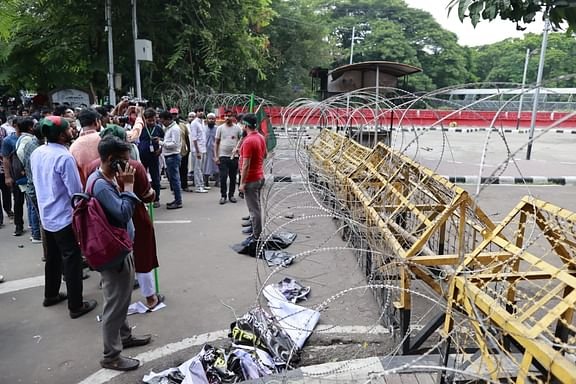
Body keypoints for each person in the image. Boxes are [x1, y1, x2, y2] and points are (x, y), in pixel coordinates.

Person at [87, 135, 151, 371]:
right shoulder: (102, 185)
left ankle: (124, 337)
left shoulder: (103, 176)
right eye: (124, 161)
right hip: (114, 254)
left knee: (120, 299)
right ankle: (111, 355)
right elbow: (123, 213)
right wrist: (129, 186)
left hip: (120, 248)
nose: (127, 165)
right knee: (114, 306)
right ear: (111, 160)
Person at [30, 116, 97, 318]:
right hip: (64, 217)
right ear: (61, 135)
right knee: (72, 258)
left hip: (47, 215)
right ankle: (76, 305)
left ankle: (50, 295)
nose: (72, 131)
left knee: (52, 257)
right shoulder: (64, 157)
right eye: (69, 129)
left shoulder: (37, 152)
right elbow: (75, 192)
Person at [238, 113, 266, 242]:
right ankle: (255, 229)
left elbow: (246, 165)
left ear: (245, 125)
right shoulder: (260, 137)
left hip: (251, 179)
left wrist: (242, 183)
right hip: (259, 176)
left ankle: (257, 236)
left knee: (254, 210)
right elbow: (264, 155)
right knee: (257, 206)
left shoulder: (248, 141)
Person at [15, 117, 42, 243]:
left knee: (32, 206)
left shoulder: (28, 140)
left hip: (30, 177)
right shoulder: (28, 140)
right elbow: (20, 152)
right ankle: (36, 233)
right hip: (31, 179)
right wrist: (26, 166)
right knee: (33, 207)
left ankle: (35, 231)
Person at [1, 117, 26, 236]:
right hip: (16, 176)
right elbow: (5, 158)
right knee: (18, 201)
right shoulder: (9, 140)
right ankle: (18, 225)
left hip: (30, 175)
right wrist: (7, 176)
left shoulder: (31, 138)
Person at [137, 108, 164, 208]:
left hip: (154, 156)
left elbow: (164, 140)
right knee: (142, 177)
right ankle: (143, 197)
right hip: (142, 156)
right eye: (149, 120)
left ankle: (156, 199)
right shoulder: (141, 128)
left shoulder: (158, 129)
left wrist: (160, 149)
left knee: (155, 177)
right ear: (145, 119)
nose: (152, 122)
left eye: (153, 120)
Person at [215, 110, 242, 205]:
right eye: (226, 116)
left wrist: (238, 150)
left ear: (233, 117)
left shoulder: (237, 128)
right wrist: (216, 156)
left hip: (234, 157)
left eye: (229, 116)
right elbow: (217, 143)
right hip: (223, 156)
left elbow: (241, 140)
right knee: (223, 177)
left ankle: (231, 195)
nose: (227, 118)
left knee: (233, 177)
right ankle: (223, 196)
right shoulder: (220, 128)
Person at [70, 108, 102, 186]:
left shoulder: (73, 147)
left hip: (87, 190)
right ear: (96, 121)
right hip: (108, 187)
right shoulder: (103, 138)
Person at [159, 110, 183, 209]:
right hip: (169, 156)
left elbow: (174, 144)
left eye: (163, 121)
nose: (162, 123)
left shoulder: (175, 129)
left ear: (168, 119)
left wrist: (161, 143)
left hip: (173, 156)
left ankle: (178, 201)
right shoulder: (169, 128)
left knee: (175, 179)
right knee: (173, 179)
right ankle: (176, 199)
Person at [189, 109, 208, 193]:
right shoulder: (194, 123)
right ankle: (198, 186)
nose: (201, 112)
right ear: (196, 113)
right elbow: (194, 138)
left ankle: (202, 184)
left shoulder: (202, 122)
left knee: (201, 168)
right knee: (197, 169)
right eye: (199, 111)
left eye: (202, 111)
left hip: (203, 148)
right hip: (197, 149)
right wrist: (197, 151)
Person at [203, 112, 219, 188]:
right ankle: (205, 181)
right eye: (209, 119)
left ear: (215, 120)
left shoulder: (217, 129)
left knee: (216, 166)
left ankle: (217, 181)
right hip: (205, 150)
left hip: (215, 151)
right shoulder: (203, 128)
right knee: (206, 166)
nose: (211, 120)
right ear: (207, 120)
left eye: (213, 119)